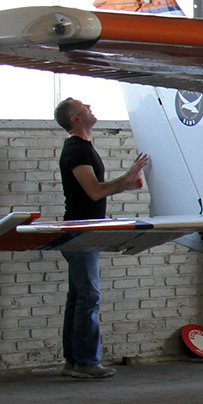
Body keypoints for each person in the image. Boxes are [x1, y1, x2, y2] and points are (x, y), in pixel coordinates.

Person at [55, 98, 149, 380]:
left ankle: (74, 361)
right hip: (81, 232)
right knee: (89, 297)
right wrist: (127, 179)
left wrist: (127, 184)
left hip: (85, 231)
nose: (89, 106)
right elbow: (94, 192)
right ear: (75, 118)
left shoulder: (83, 148)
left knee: (80, 296)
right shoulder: (76, 150)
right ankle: (85, 362)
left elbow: (96, 192)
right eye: (83, 105)